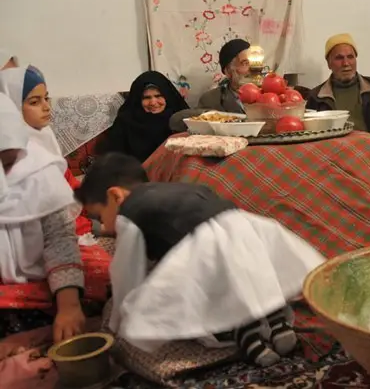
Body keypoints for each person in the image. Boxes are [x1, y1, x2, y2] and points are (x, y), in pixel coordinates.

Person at [75, 153, 325, 366]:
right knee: (255, 280)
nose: (106, 226)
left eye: (101, 215)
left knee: (197, 296)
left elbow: (126, 270)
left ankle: (249, 340)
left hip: (205, 245)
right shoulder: (170, 189)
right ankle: (278, 324)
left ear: (116, 196)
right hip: (242, 226)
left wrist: (120, 320)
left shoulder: (129, 212)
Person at [0, 93, 87, 343]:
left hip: (42, 278)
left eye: (10, 160)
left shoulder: (39, 170)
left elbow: (59, 239)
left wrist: (69, 306)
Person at [0, 64, 97, 236]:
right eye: (35, 102)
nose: (46, 107)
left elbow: (66, 180)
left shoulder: (44, 134)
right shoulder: (12, 150)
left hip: (68, 210)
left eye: (46, 98)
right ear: (13, 106)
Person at [100, 71, 189, 163]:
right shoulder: (125, 122)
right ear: (138, 99)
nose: (153, 102)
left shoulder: (181, 120)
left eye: (158, 96)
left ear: (168, 96)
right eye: (146, 98)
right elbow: (113, 159)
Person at [169, 38, 252, 131]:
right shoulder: (211, 99)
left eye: (256, 63)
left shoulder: (269, 95)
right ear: (228, 71)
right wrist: (216, 115)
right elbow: (176, 122)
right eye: (246, 63)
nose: (254, 69)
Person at [306, 34, 370, 134]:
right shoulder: (316, 97)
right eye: (339, 58)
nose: (346, 63)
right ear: (329, 63)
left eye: (350, 57)